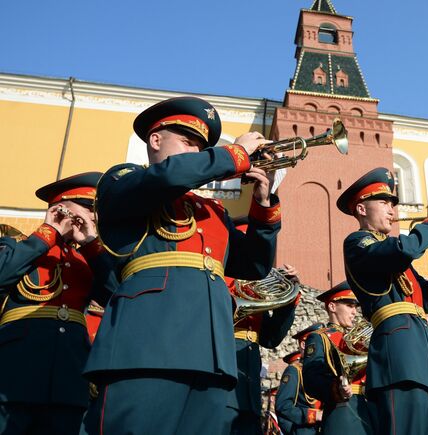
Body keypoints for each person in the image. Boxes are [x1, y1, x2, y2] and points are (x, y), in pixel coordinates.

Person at [81, 96, 281, 434]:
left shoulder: (212, 210)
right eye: (188, 143)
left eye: (202, 148)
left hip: (211, 353)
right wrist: (234, 155)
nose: (196, 153)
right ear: (155, 140)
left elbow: (255, 265)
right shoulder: (124, 180)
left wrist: (263, 205)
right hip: (147, 346)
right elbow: (167, 178)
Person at [340, 167, 428, 434]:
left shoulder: (395, 257)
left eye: (393, 203)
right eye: (383, 202)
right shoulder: (358, 243)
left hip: (425, 361)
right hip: (399, 358)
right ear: (361, 209)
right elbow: (405, 248)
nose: (392, 210)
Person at [0, 172, 114, 434]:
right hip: (14, 375)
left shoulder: (89, 258)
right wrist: (47, 233)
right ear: (59, 207)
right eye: (86, 208)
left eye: (96, 210)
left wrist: (91, 245)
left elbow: (117, 294)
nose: (93, 215)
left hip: (68, 380)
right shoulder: (19, 246)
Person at [226, 216, 301, 435]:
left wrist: (288, 300)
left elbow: (271, 338)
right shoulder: (217, 278)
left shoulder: (256, 291)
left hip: (249, 371)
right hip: (223, 362)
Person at [302, 281, 374, 434]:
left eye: (355, 307)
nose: (354, 312)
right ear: (332, 307)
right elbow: (311, 378)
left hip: (368, 409)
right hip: (342, 410)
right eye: (349, 306)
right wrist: (335, 388)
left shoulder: (359, 338)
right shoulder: (319, 337)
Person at [275, 324, 324, 435]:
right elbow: (283, 406)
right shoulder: (294, 371)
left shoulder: (321, 372)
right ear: (303, 345)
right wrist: (313, 415)